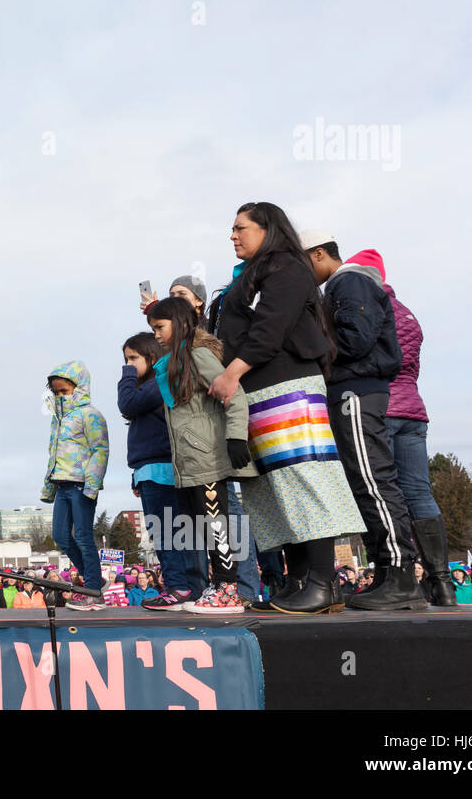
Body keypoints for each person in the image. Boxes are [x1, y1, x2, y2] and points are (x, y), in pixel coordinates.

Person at [207, 203, 367, 615]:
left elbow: (271, 326)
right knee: (276, 488)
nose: (233, 235)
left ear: (267, 228)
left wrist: (232, 372)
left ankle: (323, 582)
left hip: (288, 384)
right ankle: (296, 581)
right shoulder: (249, 276)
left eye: (240, 227)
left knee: (305, 476)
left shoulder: (286, 267)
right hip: (256, 391)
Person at [302, 232, 427, 612]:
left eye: (303, 261)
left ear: (320, 253)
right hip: (352, 390)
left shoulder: (349, 280)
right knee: (363, 481)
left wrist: (312, 346)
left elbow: (356, 339)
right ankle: (388, 572)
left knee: (374, 478)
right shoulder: (343, 285)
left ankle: (403, 574)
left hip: (357, 390)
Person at [339, 251, 456, 607]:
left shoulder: (365, 305)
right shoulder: (407, 313)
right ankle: (442, 583)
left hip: (381, 406)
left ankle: (393, 572)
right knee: (419, 493)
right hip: (414, 412)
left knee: (381, 488)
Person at [146, 297, 257, 614]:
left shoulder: (200, 357)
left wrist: (236, 436)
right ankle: (217, 586)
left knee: (217, 524)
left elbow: (235, 396)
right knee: (204, 528)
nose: (155, 333)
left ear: (180, 324)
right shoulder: (174, 364)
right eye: (152, 328)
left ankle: (228, 590)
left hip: (208, 459)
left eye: (160, 327)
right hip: (189, 464)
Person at [119, 331, 200, 610]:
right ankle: (185, 587)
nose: (128, 364)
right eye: (125, 359)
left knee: (167, 532)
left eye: (133, 358)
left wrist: (126, 375)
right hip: (149, 469)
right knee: (169, 531)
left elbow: (126, 404)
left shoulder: (156, 384)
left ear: (151, 357)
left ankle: (179, 587)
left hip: (161, 469)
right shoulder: (149, 389)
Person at [40, 361, 110, 611]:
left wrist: (92, 484)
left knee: (82, 535)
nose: (60, 396)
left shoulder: (89, 414)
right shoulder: (57, 419)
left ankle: (92, 590)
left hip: (81, 484)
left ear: (79, 388)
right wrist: (49, 485)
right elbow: (53, 454)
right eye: (56, 392)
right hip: (62, 484)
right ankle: (96, 579)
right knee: (60, 535)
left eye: (64, 391)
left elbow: (100, 450)